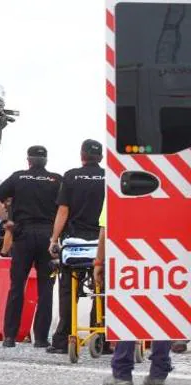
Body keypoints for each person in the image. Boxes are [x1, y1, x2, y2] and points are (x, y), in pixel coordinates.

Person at [0, 145, 62, 348]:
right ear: (45, 161)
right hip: (48, 236)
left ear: (28, 161)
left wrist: (6, 221)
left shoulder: (18, 177)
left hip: (23, 235)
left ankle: (9, 337)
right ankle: (40, 339)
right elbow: (65, 207)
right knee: (46, 289)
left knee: (16, 286)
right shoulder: (56, 180)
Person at [96, 205, 174, 385]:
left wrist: (98, 261)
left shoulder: (119, 185)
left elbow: (105, 231)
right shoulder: (174, 182)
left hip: (126, 258)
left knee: (126, 314)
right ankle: (158, 374)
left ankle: (122, 375)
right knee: (164, 314)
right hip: (165, 258)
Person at [47, 139, 106, 355]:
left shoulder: (71, 176)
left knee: (68, 289)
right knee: (102, 289)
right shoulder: (109, 176)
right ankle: (102, 337)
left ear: (82, 155)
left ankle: (63, 339)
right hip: (102, 242)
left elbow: (63, 211)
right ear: (100, 157)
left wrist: (54, 240)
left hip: (75, 245)